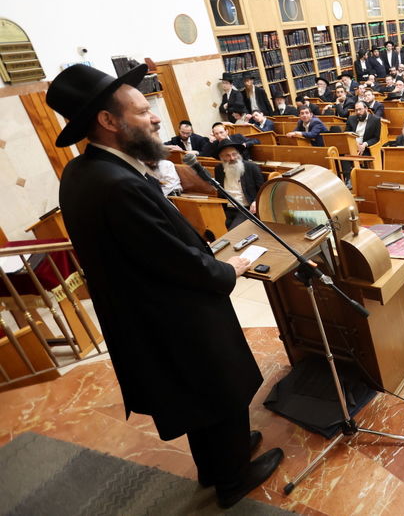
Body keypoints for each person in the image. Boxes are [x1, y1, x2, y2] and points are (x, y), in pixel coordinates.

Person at [46, 64, 282, 509]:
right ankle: (233, 479)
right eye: (142, 110)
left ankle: (218, 461)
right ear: (109, 121)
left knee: (197, 397)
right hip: (174, 316)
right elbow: (173, 260)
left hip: (150, 314)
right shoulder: (115, 184)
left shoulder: (85, 171)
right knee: (217, 385)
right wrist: (230, 270)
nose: (156, 117)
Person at [212, 138, 266, 229]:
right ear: (221, 157)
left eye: (234, 154)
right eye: (227, 156)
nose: (232, 158)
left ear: (239, 154)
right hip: (226, 208)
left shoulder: (251, 167)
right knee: (213, 228)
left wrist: (256, 201)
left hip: (246, 209)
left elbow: (263, 190)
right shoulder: (219, 169)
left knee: (233, 231)